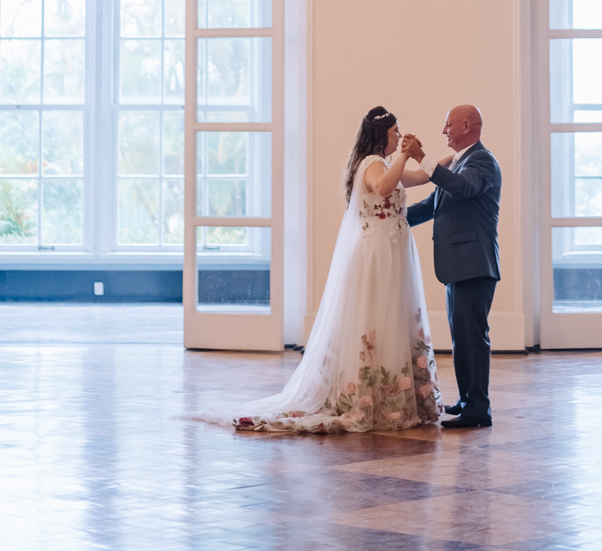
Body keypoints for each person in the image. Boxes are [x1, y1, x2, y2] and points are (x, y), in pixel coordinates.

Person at [214, 106, 440, 435]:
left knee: (393, 317)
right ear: (381, 135)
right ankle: (371, 398)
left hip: (392, 251)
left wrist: (448, 159)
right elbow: (383, 188)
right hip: (376, 254)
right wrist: (405, 157)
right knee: (377, 318)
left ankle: (393, 393)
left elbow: (422, 177)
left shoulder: (386, 164)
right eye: (395, 132)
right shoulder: (372, 165)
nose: (399, 137)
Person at [406, 104, 501, 429]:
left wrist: (422, 158)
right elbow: (433, 204)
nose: (443, 131)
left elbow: (463, 188)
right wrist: (390, 219)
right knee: (462, 337)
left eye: (448, 125)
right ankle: (467, 400)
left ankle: (478, 409)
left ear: (465, 125)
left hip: (475, 265)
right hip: (459, 266)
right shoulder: (460, 162)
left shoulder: (482, 161)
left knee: (472, 337)